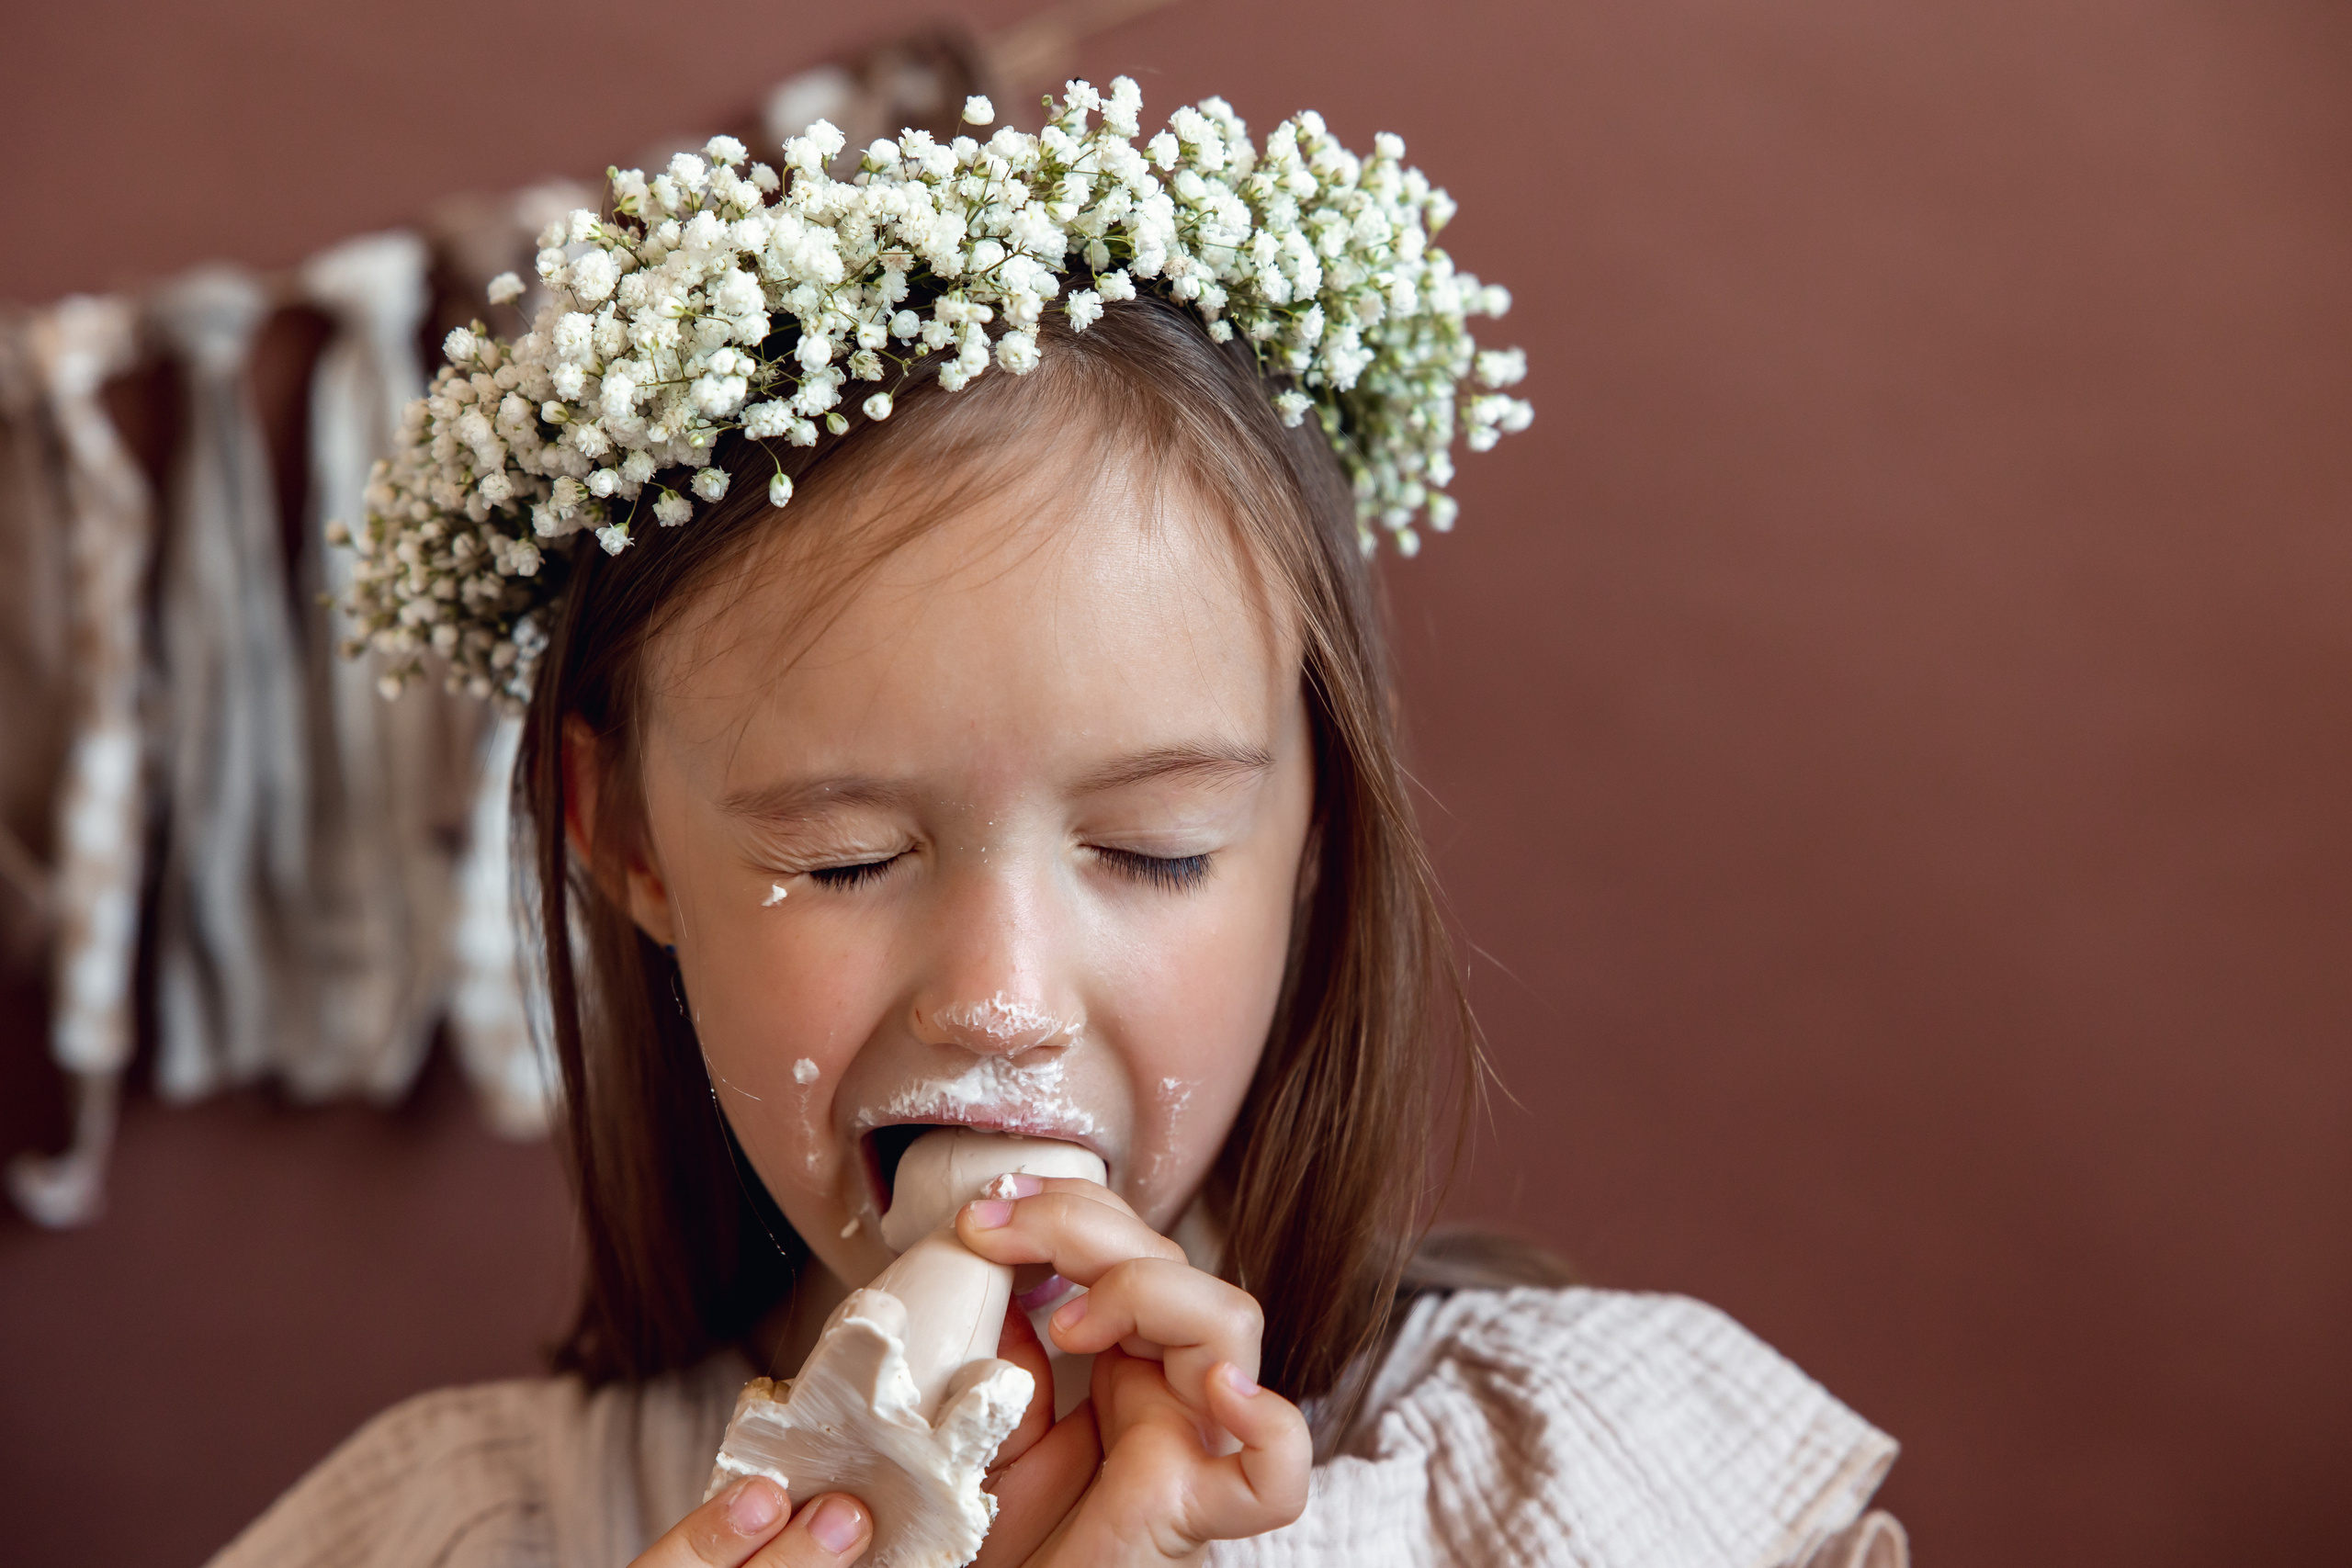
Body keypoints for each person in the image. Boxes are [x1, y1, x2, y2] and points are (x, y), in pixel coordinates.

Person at [215, 81, 1904, 1568]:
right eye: (848, 859)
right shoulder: (459, 1532)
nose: (1003, 1002)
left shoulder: (1567, 1487)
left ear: (1316, 830)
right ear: (627, 843)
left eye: (1159, 847)